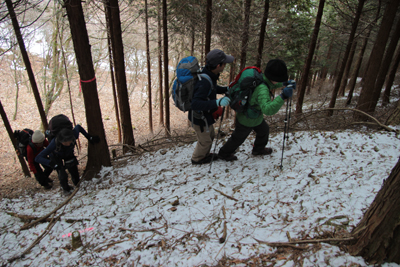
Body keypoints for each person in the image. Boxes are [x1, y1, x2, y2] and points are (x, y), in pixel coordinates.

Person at [218, 59, 294, 161]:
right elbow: (268, 110)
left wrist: (285, 83)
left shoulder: (262, 78)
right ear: (274, 77)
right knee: (238, 138)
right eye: (279, 79)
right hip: (247, 119)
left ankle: (258, 149)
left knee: (264, 130)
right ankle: (224, 153)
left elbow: (272, 84)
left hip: (255, 116)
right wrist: (283, 96)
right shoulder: (262, 89)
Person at [189, 49, 234, 165]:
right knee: (205, 141)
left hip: (205, 115)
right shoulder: (203, 81)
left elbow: (212, 87)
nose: (225, 66)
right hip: (199, 118)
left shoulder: (209, 74)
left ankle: (205, 155)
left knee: (211, 135)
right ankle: (197, 159)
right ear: (218, 65)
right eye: (224, 64)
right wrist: (217, 103)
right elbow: (195, 104)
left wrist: (225, 89)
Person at [35, 125, 100, 196]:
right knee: (62, 173)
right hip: (56, 156)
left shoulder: (74, 135)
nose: (69, 143)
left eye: (70, 141)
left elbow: (78, 127)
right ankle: (66, 189)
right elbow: (38, 158)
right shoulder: (54, 143)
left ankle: (77, 184)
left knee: (73, 169)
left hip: (68, 153)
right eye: (67, 142)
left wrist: (89, 137)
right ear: (62, 141)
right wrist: (51, 164)